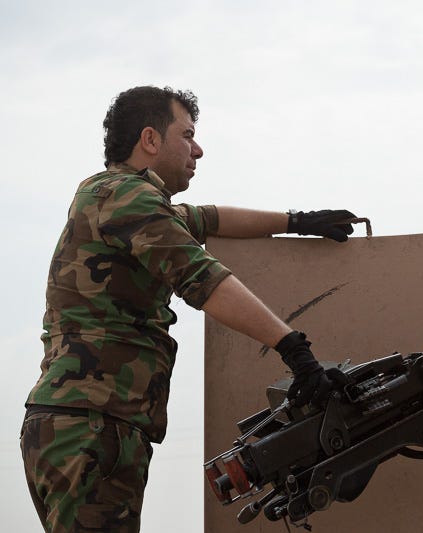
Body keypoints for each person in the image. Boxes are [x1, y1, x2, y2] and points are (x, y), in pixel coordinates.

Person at [20, 86, 355, 533]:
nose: (198, 148)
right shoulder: (125, 197)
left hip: (87, 423)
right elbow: (203, 278)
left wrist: (298, 221)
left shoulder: (126, 200)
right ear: (150, 140)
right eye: (188, 134)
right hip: (92, 427)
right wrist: (295, 350)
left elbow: (212, 219)